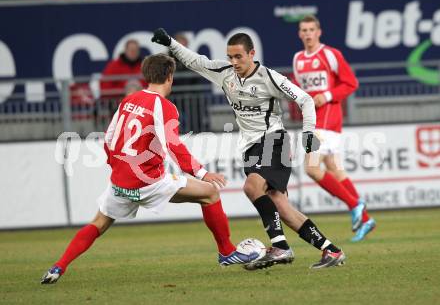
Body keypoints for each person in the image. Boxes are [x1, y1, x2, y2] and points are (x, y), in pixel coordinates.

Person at [41, 54, 260, 284]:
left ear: (146, 75)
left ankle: (58, 267)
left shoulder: (129, 100)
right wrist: (203, 173)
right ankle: (226, 252)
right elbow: (173, 145)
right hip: (149, 182)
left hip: (120, 183)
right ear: (170, 77)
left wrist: (117, 166)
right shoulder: (165, 107)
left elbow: (109, 137)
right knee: (210, 193)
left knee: (98, 224)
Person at [152, 28, 346, 270]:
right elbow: (195, 61)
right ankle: (331, 250)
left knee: (252, 186)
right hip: (250, 147)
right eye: (230, 57)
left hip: (274, 140)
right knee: (281, 206)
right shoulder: (225, 74)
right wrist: (170, 42)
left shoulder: (269, 77)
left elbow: (305, 100)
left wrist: (308, 138)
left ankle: (280, 248)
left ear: (252, 54)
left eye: (238, 57)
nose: (233, 62)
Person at [291, 15, 376, 242]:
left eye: (311, 29)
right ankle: (365, 217)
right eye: (303, 30)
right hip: (313, 119)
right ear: (300, 34)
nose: (308, 33)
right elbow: (302, 91)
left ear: (319, 32)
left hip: (328, 118)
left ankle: (355, 204)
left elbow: (351, 83)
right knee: (335, 170)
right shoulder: (298, 59)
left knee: (311, 167)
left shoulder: (330, 54)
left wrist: (327, 95)